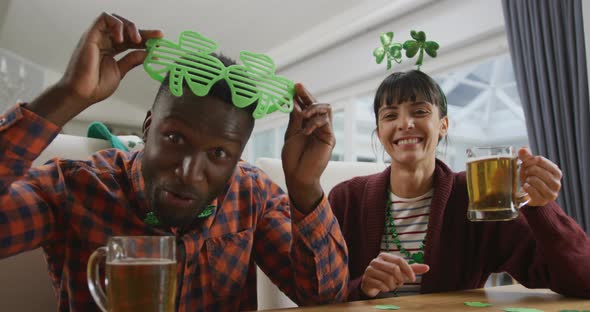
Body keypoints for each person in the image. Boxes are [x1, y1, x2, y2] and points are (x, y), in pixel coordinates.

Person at [0, 13, 348, 311]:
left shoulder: (251, 193)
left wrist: (304, 186)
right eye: (175, 138)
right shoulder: (73, 187)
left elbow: (324, 297)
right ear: (149, 127)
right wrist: (67, 95)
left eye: (219, 154)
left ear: (238, 156)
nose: (188, 172)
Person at [328, 70, 590, 300]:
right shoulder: (346, 199)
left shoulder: (477, 196)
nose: (405, 123)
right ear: (378, 131)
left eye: (420, 112)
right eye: (390, 115)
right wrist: (362, 287)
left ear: (443, 125)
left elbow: (582, 280)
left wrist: (542, 208)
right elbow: (321, 296)